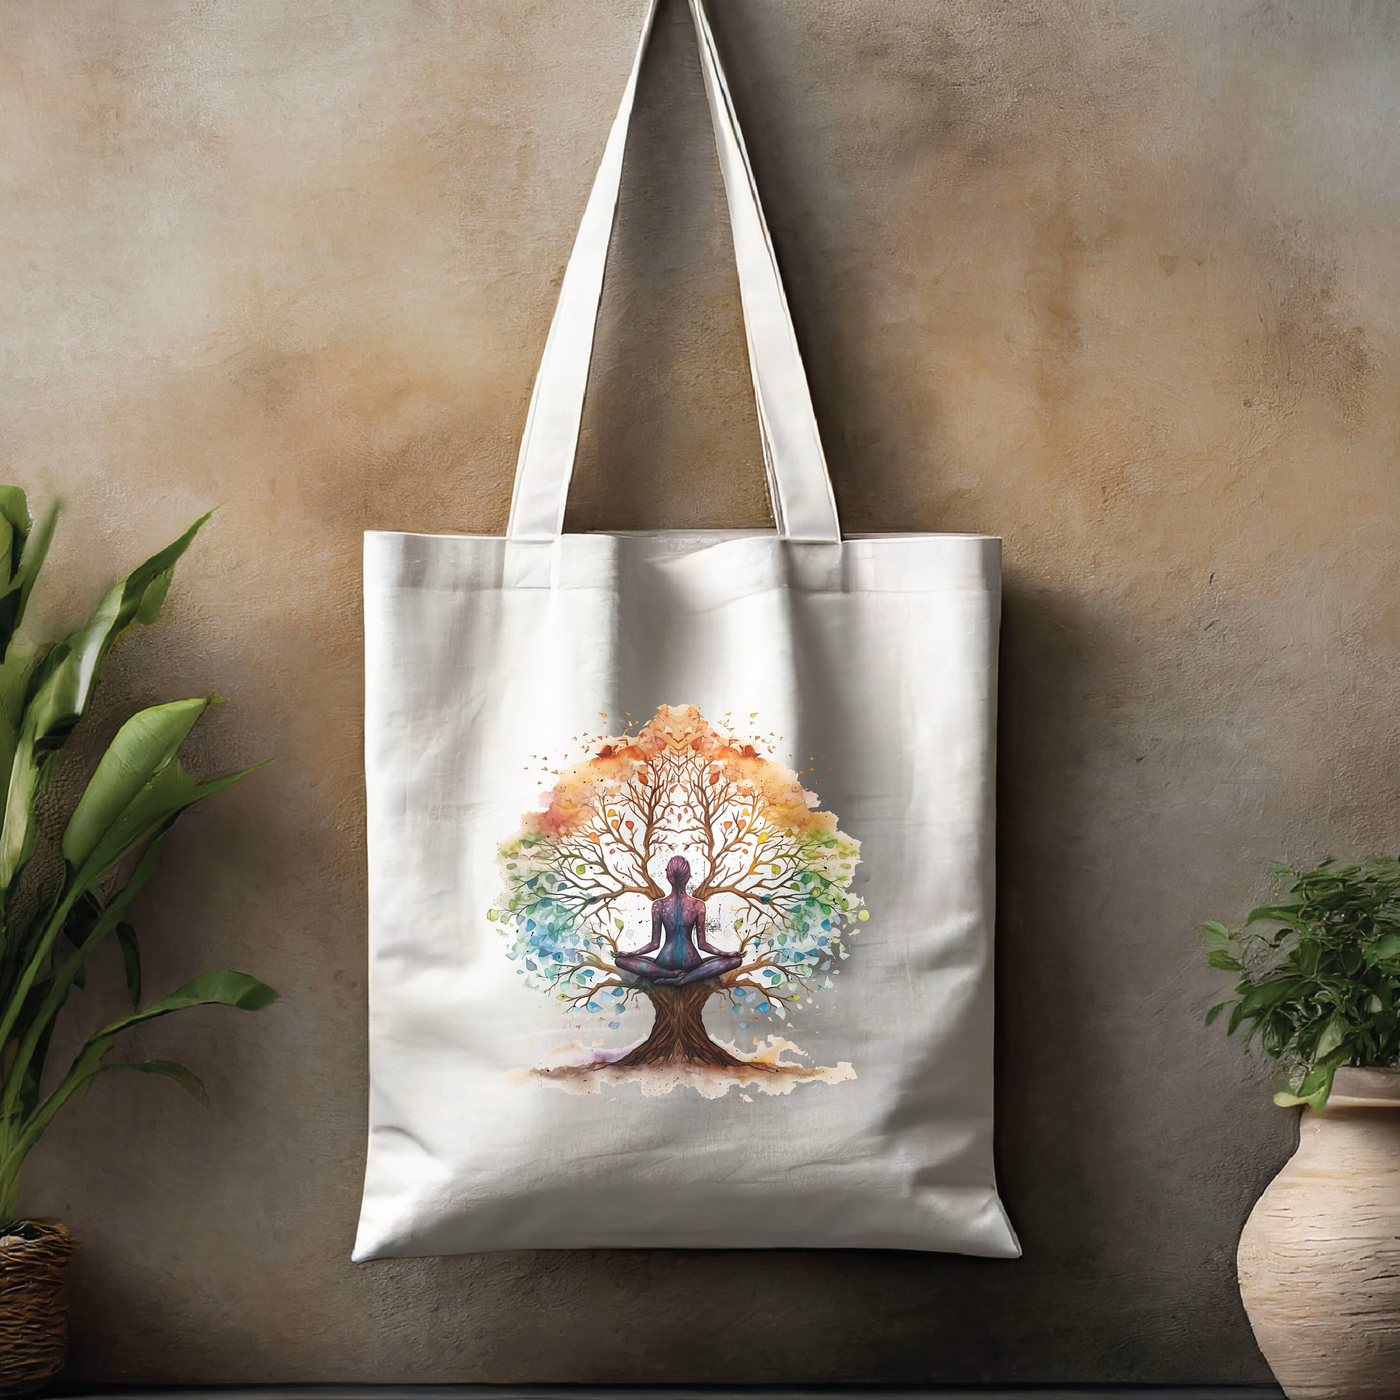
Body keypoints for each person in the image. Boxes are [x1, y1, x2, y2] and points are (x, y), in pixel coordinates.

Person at [614, 855, 742, 986]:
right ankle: (685, 978)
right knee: (735, 960)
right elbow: (702, 944)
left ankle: (667, 973)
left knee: (620, 960)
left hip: (665, 962)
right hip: (692, 963)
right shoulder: (698, 905)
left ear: (668, 876)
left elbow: (654, 944)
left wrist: (630, 953)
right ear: (688, 876)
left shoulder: (659, 905)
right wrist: (725, 953)